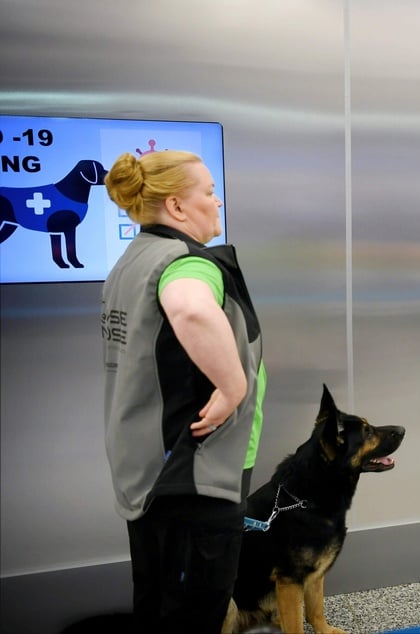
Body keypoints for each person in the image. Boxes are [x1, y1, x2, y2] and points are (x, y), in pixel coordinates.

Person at [101, 150, 267, 632]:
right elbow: (191, 310)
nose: (218, 202)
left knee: (158, 602)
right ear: (176, 207)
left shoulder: (134, 261)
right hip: (194, 472)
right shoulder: (185, 263)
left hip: (150, 467)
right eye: (209, 192)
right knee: (196, 612)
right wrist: (233, 384)